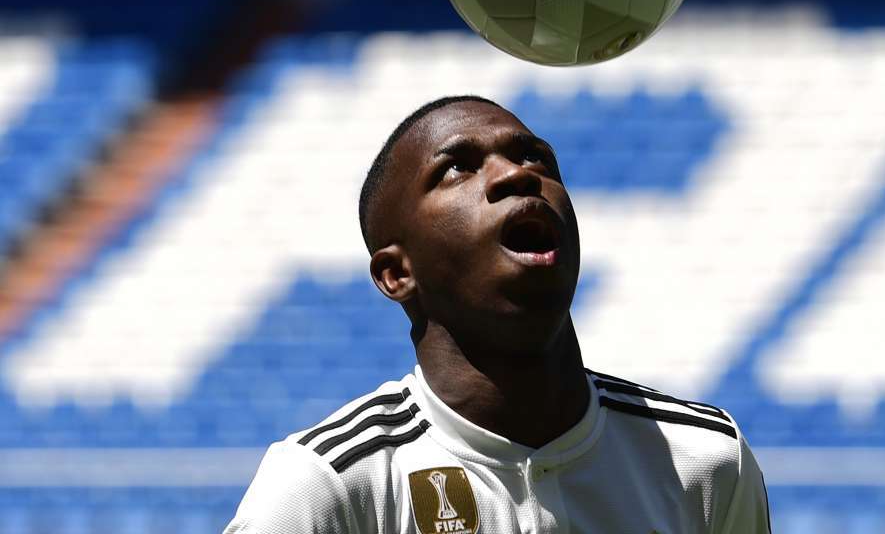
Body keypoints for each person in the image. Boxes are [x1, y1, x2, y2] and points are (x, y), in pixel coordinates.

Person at [225, 95, 771, 533]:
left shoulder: (704, 460)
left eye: (535, 157)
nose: (517, 175)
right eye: (458, 168)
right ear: (397, 274)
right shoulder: (331, 485)